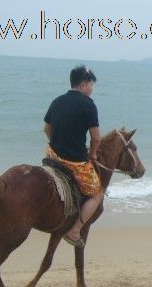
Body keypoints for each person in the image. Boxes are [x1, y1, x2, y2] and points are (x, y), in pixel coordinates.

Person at [43, 65, 103, 247]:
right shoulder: (89, 105)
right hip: (75, 162)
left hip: (52, 155)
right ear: (84, 84)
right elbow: (96, 138)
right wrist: (92, 154)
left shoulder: (57, 101)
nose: (92, 89)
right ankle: (75, 230)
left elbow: (46, 129)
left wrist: (57, 142)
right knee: (96, 194)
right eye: (91, 85)